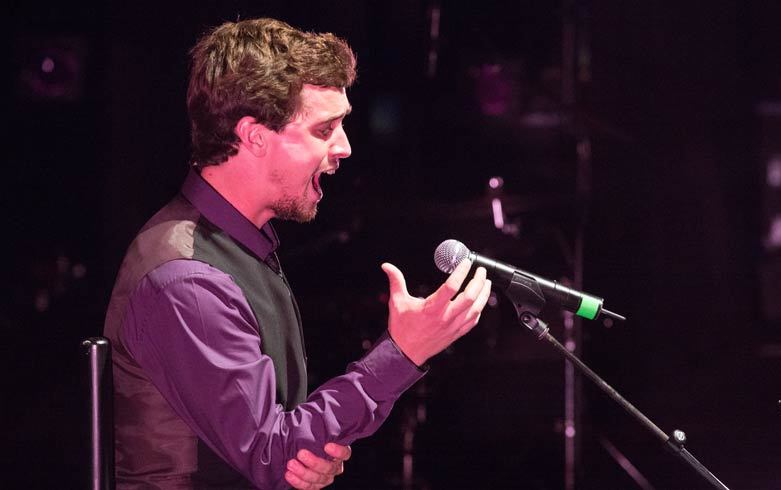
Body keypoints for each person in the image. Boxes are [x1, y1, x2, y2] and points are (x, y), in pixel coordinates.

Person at [104, 17, 491, 489]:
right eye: (325, 129)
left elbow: (280, 450)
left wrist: (306, 452)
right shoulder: (187, 278)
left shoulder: (239, 247)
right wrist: (404, 352)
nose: (344, 147)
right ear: (254, 136)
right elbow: (273, 455)